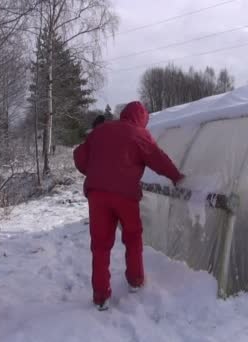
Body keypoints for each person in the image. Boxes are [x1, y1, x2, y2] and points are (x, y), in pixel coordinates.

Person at [73, 101, 184, 311]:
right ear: (142, 119)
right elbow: (158, 159)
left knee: (100, 245)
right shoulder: (139, 134)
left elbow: (79, 157)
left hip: (97, 195)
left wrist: (97, 170)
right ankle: (135, 280)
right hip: (125, 196)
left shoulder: (101, 130)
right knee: (133, 237)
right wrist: (176, 176)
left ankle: (100, 297)